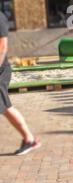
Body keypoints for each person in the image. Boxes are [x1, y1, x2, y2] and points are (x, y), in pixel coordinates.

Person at [0, 12, 41, 155]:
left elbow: (2, 47)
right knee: (4, 107)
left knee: (5, 107)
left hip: (1, 70)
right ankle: (29, 139)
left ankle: (29, 139)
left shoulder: (0, 18)